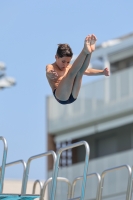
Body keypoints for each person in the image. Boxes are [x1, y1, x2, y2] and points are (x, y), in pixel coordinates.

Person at [46, 34, 109, 105]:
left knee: (80, 72)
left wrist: (103, 72)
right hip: (61, 97)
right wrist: (50, 74)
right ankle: (84, 50)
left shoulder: (69, 67)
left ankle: (90, 50)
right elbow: (48, 71)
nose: (65, 65)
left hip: (73, 96)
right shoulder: (51, 66)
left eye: (68, 62)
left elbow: (87, 71)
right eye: (63, 61)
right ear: (56, 57)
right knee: (71, 74)